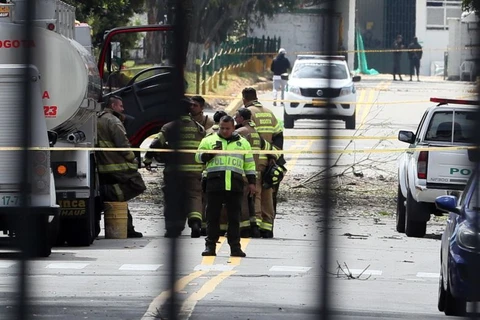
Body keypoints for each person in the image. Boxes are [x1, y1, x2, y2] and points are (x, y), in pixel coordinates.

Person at [143, 98, 206, 238]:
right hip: (194, 170)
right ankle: (195, 222)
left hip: (174, 171)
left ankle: (173, 228)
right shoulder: (199, 128)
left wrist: (147, 159)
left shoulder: (169, 126)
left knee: (173, 199)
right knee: (194, 196)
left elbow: (155, 144)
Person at [196, 115, 256, 257]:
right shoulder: (209, 140)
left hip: (235, 184)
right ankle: (210, 247)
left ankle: (235, 248)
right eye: (222, 128)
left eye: (227, 128)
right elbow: (197, 157)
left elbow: (249, 164)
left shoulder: (243, 143)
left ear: (233, 128)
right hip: (214, 184)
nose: (224, 131)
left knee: (235, 218)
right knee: (212, 217)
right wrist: (209, 154)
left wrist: (252, 182)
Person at [96, 95, 146, 238]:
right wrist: (133, 159)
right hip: (116, 166)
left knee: (120, 198)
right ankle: (106, 194)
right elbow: (123, 144)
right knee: (136, 185)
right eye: (120, 106)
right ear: (113, 106)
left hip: (103, 166)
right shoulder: (113, 121)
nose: (123, 109)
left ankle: (128, 228)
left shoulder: (97, 119)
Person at [242, 87, 284, 238]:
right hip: (270, 160)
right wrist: (274, 155)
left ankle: (257, 226)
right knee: (268, 194)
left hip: (254, 159)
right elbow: (279, 136)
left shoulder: (247, 114)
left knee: (256, 193)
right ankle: (268, 227)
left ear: (244, 99)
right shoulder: (269, 112)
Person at [234, 108, 275, 238]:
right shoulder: (256, 132)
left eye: (236, 117)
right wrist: (274, 157)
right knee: (259, 196)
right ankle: (262, 226)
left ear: (241, 118)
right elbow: (267, 147)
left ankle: (250, 227)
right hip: (258, 168)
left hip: (245, 169)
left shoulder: (241, 132)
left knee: (248, 198)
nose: (235, 119)